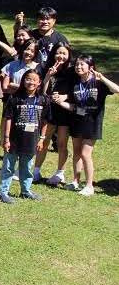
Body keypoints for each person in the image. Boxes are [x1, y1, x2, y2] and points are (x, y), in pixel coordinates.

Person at [60, 56, 118, 196]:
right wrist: (60, 102)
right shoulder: (75, 83)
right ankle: (75, 181)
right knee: (77, 152)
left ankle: (89, 185)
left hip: (92, 123)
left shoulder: (98, 83)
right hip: (77, 121)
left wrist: (102, 78)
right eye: (77, 65)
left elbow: (117, 89)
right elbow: (74, 106)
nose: (78, 67)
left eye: (82, 65)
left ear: (90, 67)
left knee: (85, 154)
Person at [0, 69, 47, 203]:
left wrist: (42, 139)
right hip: (14, 139)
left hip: (32, 139)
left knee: (27, 167)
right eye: (28, 79)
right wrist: (6, 139)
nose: (31, 82)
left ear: (39, 82)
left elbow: (45, 121)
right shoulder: (15, 98)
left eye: (34, 80)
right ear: (23, 81)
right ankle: (3, 192)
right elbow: (8, 118)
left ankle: (26, 191)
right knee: (8, 166)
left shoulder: (43, 99)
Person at [36, 43, 75, 187]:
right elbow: (42, 92)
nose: (61, 56)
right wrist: (48, 76)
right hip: (50, 110)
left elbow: (76, 90)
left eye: (64, 53)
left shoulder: (72, 71)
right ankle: (36, 171)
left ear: (69, 56)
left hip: (65, 111)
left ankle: (60, 173)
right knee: (44, 140)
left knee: (62, 143)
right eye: (58, 53)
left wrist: (65, 96)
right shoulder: (47, 68)